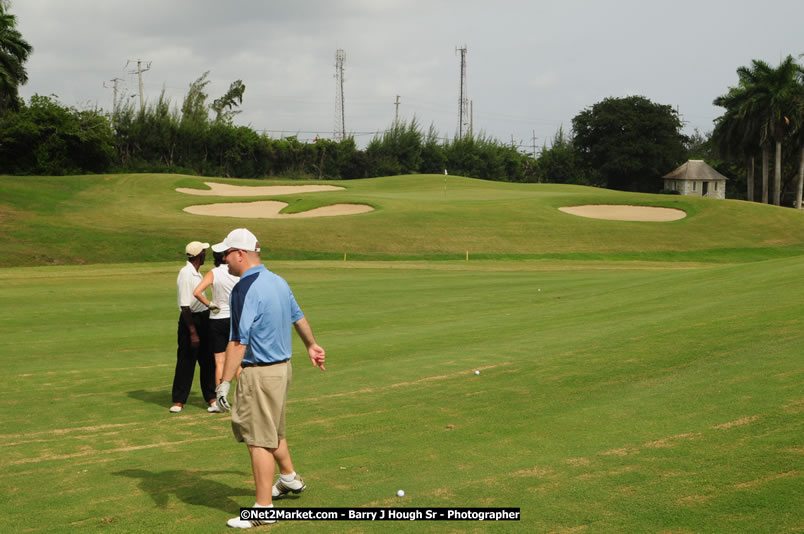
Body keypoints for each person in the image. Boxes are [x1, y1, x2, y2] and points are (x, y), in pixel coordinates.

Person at [212, 228, 326, 529]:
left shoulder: (243, 288)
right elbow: (297, 317)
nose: (224, 259)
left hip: (260, 373)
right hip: (282, 369)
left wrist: (223, 383)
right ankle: (289, 479)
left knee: (257, 440)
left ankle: (264, 508)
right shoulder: (277, 280)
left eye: (227, 253)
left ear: (240, 254)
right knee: (272, 429)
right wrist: (311, 345)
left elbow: (238, 341)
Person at [170, 241, 217, 414]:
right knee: (186, 361)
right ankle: (179, 400)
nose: (206, 254)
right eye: (204, 252)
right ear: (199, 255)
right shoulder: (186, 274)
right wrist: (192, 332)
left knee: (208, 361)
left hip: (204, 319)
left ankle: (211, 397)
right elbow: (185, 306)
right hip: (190, 321)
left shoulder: (197, 273)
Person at [192, 249, 241, 413]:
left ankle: (219, 402)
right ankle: (245, 399)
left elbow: (197, 292)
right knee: (238, 361)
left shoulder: (213, 273)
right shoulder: (237, 272)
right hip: (234, 320)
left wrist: (209, 304)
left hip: (217, 319)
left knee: (219, 361)